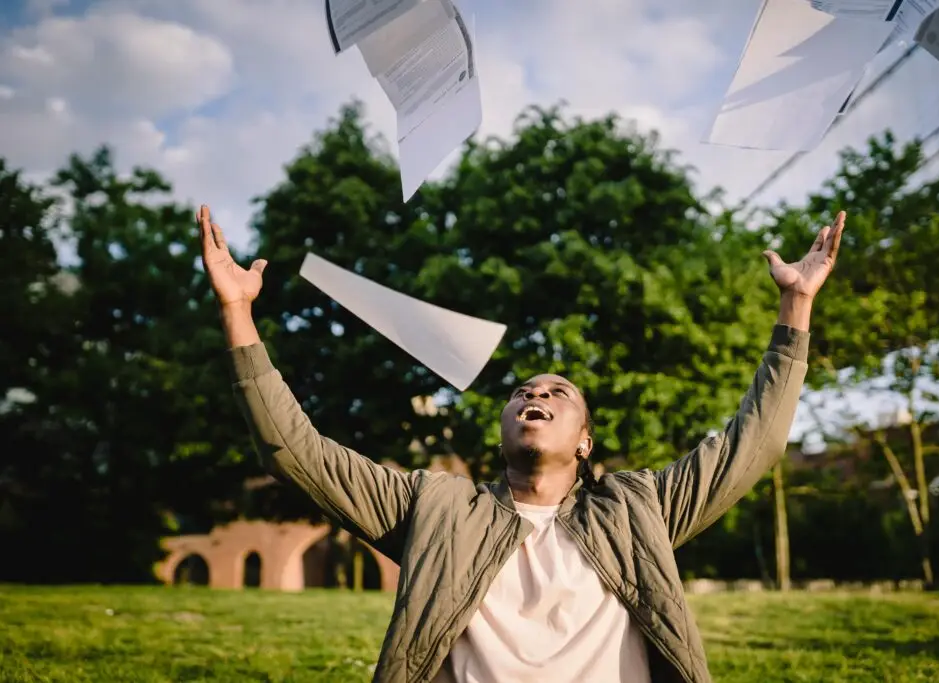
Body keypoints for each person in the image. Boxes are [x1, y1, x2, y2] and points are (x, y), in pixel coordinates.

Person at [197, 204, 845, 683]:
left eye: (557, 392)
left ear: (585, 441)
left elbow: (751, 446)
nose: (535, 395)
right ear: (504, 426)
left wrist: (796, 310)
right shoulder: (436, 507)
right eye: (522, 392)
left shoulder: (637, 505)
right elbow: (294, 450)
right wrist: (237, 313)